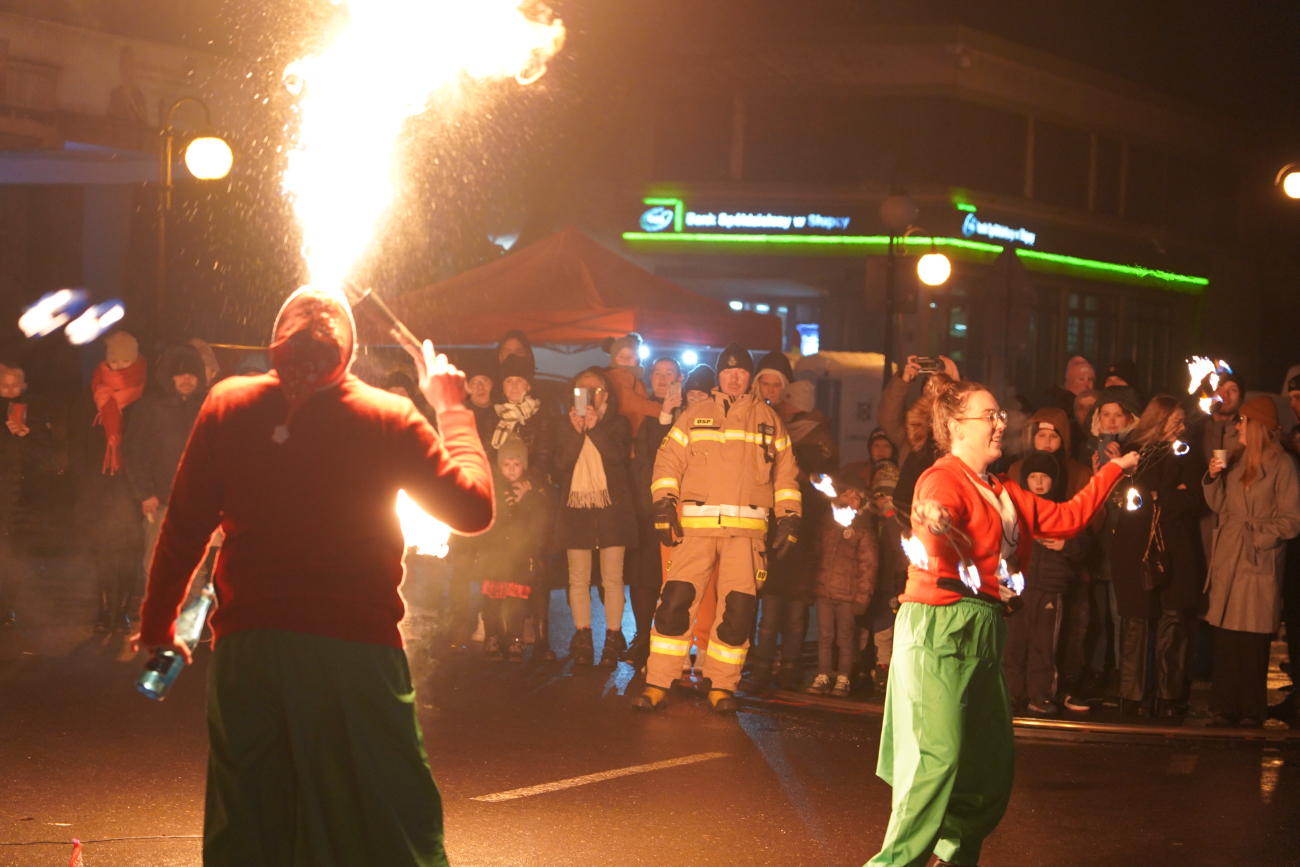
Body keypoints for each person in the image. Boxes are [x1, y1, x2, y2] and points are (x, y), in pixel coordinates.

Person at [134, 287, 493, 867]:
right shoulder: (387, 415)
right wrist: (450, 407)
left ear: (278, 338)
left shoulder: (229, 403)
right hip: (356, 656)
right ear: (346, 350)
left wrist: (157, 625)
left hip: (250, 651)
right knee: (388, 818)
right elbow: (474, 509)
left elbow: (183, 530)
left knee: (251, 823)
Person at [867, 374, 1135, 867]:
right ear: (955, 426)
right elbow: (932, 510)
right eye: (988, 416)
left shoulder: (1003, 489)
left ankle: (953, 859)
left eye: (999, 415)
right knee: (936, 762)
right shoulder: (942, 477)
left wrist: (1114, 468)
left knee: (987, 772)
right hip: (938, 624)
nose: (999, 424)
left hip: (986, 627)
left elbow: (1069, 517)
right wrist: (931, 517)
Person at [632, 341, 801, 714]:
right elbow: (667, 463)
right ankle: (659, 682)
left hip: (746, 535)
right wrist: (664, 504)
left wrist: (790, 516)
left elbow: (787, 473)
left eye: (742, 372)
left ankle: (722, 686)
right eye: (729, 371)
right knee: (674, 605)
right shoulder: (694, 415)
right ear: (720, 375)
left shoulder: (769, 421)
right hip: (695, 531)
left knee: (737, 612)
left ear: (749, 377)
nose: (735, 378)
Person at [1203, 396, 1300, 728]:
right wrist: (1214, 477)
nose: (1237, 425)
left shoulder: (1283, 465)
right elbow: (1222, 507)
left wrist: (1259, 537)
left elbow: (1291, 519)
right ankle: (1223, 705)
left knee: (1252, 638)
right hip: (1231, 555)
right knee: (1227, 635)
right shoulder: (1238, 460)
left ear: (1257, 425)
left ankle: (1249, 708)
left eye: (1243, 420)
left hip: (1258, 558)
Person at [1108, 396, 1206, 718]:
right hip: (1136, 545)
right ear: (1158, 420)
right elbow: (1129, 499)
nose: (1180, 426)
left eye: (1181, 420)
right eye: (1174, 420)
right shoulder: (1133, 452)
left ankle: (1169, 697)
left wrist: (1160, 497)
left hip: (1178, 547)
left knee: (1174, 620)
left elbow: (1193, 498)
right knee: (1137, 619)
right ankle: (1132, 695)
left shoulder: (1188, 453)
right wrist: (1166, 495)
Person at [748, 376, 836, 691]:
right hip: (781, 532)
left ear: (794, 404)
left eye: (784, 400)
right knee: (774, 611)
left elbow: (818, 488)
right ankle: (767, 669)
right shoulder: (791, 433)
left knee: (789, 613)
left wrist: (794, 470)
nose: (779, 404)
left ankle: (784, 670)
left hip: (800, 535)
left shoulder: (815, 439)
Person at [554, 366, 637, 666]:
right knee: (578, 578)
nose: (590, 396)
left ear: (607, 395)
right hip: (576, 511)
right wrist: (579, 432)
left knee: (613, 578)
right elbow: (561, 465)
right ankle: (583, 638)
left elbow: (616, 457)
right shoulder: (565, 425)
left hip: (612, 510)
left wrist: (595, 428)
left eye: (596, 390)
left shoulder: (617, 423)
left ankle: (613, 640)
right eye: (582, 390)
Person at [1004, 453, 1089, 716]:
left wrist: (1066, 544)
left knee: (1044, 645)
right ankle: (1008, 694)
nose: (1039, 482)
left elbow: (1085, 546)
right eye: (1033, 477)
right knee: (1013, 645)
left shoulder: (1063, 510)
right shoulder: (1015, 510)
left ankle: (1040, 696)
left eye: (1045, 477)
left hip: (1052, 587)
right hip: (1020, 588)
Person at [74, 331, 148, 633]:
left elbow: (147, 446)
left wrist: (146, 488)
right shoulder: (90, 394)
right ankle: (104, 610)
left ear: (136, 359)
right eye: (113, 360)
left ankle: (122, 611)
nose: (118, 367)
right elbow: (77, 443)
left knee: (130, 551)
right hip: (99, 487)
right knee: (103, 550)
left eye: (125, 360)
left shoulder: (146, 397)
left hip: (132, 487)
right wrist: (81, 486)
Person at [124, 344, 208, 579]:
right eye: (180, 373)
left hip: (196, 503)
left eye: (192, 374)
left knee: (193, 564)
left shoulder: (206, 406)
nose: (187, 380)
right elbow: (133, 450)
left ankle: (189, 616)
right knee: (157, 562)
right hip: (159, 501)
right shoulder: (151, 405)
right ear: (169, 376)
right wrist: (145, 492)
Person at [626, 357, 686, 665]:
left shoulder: (690, 413)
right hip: (645, 507)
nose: (662, 379)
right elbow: (646, 458)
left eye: (669, 374)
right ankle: (642, 637)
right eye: (657, 373)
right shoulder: (645, 412)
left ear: (680, 378)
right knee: (642, 577)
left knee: (674, 579)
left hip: (682, 511)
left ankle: (670, 642)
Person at [806, 469, 877, 698]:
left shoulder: (863, 529)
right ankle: (823, 673)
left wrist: (862, 599)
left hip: (848, 595)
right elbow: (815, 556)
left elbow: (868, 567)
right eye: (846, 495)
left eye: (856, 497)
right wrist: (810, 586)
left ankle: (844, 676)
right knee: (825, 635)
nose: (850, 500)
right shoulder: (827, 525)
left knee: (845, 636)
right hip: (825, 592)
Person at [479, 437, 550, 662]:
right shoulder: (493, 491)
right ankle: (492, 637)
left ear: (524, 466)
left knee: (516, 602)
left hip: (519, 557)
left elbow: (538, 524)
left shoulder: (532, 494)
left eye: (516, 464)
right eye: (506, 464)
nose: (511, 469)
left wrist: (531, 549)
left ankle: (515, 640)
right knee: (491, 600)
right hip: (495, 557)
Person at [0, 363, 52, 627]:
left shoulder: (35, 412)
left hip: (24, 501)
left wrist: (28, 436)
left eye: (15, 385)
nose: (10, 390)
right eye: (4, 385)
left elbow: (46, 458)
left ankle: (8, 607)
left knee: (17, 558)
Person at [863, 460, 904, 694]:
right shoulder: (866, 517)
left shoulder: (897, 520)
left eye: (888, 495)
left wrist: (889, 513)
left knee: (888, 629)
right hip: (870, 583)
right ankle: (874, 667)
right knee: (873, 629)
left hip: (892, 582)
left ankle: (887, 671)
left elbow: (901, 547)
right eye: (880, 494)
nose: (882, 500)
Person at [491, 354, 554, 490]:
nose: (514, 386)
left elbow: (545, 455)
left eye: (519, 380)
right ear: (503, 387)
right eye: (509, 381)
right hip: (498, 486)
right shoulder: (492, 415)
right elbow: (487, 454)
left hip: (533, 487)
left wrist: (527, 483)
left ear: (528, 386)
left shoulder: (541, 415)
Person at [603, 333, 663, 438]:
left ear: (638, 358)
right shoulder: (618, 374)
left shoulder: (632, 376)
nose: (626, 360)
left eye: (630, 356)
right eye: (621, 356)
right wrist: (662, 410)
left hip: (632, 430)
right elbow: (630, 402)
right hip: (625, 432)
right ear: (613, 358)